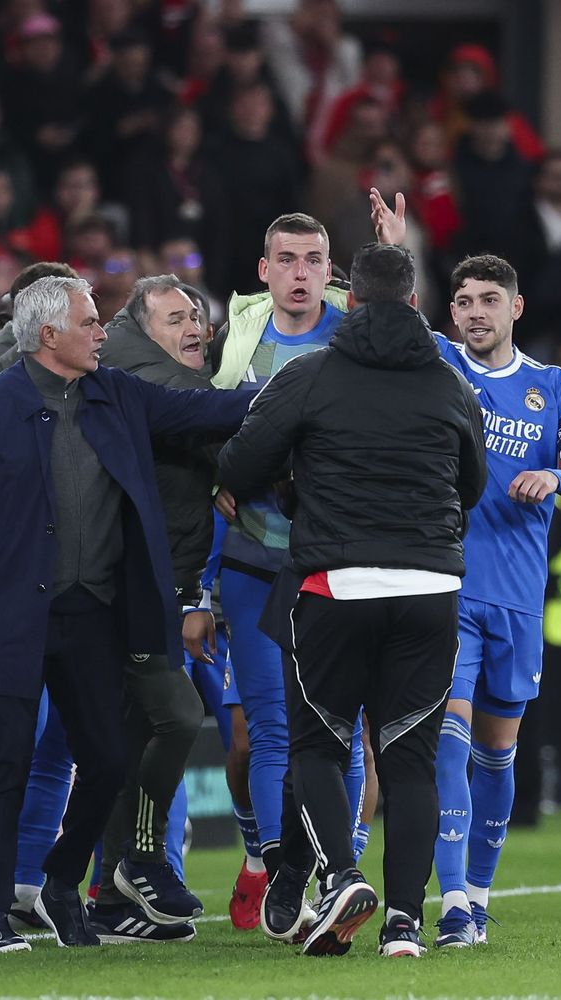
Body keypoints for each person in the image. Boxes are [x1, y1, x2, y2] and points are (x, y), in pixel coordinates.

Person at [0, 276, 252, 952]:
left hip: (95, 613)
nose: (103, 333)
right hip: (12, 615)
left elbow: (206, 411)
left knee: (110, 759)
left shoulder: (116, 393)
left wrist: (302, 391)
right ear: (49, 334)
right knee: (8, 760)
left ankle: (61, 879)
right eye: (91, 322)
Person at [217, 241, 487, 959]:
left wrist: (290, 484)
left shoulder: (312, 374)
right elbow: (472, 483)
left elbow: (240, 460)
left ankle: (341, 876)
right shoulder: (449, 380)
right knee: (411, 760)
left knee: (318, 745)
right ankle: (404, 924)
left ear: (350, 302)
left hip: (334, 583)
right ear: (414, 303)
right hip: (431, 586)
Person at [365, 190, 561, 947]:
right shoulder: (440, 361)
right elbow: (390, 311)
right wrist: (396, 249)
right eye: (465, 300)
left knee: (497, 755)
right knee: (447, 741)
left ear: (516, 307)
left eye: (488, 301)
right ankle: (452, 906)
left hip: (516, 595)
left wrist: (556, 479)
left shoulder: (553, 387)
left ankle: (477, 890)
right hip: (448, 587)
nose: (473, 311)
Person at [207, 212, 367, 918]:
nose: (301, 273)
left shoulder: (355, 337)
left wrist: (392, 251)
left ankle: (342, 866)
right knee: (268, 727)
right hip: (251, 557)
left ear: (330, 270)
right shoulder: (234, 345)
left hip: (336, 559)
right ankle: (281, 873)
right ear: (264, 270)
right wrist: (196, 583)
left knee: (344, 724)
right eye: (287, 259)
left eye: (313, 259)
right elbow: (207, 455)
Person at [84, 274, 221, 943]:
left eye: (197, 314)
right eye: (175, 317)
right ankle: (140, 859)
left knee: (132, 734)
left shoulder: (157, 376)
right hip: (121, 590)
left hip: (153, 588)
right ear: (139, 329)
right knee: (177, 715)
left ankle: (108, 903)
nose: (194, 325)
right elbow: (208, 411)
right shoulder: (143, 373)